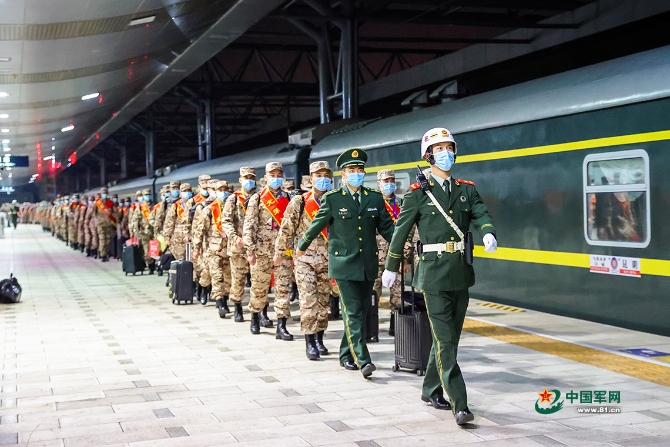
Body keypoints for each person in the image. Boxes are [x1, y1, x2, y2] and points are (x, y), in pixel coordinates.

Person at [381, 127, 497, 425]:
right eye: (439, 149)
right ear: (428, 156)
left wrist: (488, 232)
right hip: (432, 275)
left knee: (449, 339)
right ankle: (460, 404)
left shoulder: (466, 189)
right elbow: (401, 232)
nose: (446, 153)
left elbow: (481, 214)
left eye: (449, 148)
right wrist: (391, 266)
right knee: (445, 341)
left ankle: (430, 389)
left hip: (461, 273)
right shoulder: (417, 193)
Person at [296, 148, 394, 378]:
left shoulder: (374, 198)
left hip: (367, 264)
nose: (356, 173)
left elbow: (387, 228)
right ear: (343, 174)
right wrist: (302, 245)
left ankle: (344, 354)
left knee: (360, 311)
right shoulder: (333, 199)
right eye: (351, 169)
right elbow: (317, 223)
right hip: (343, 264)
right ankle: (363, 359)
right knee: (351, 311)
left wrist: (402, 244)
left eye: (359, 169)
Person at [275, 161, 333, 359]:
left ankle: (320, 339)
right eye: (319, 175)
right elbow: (286, 230)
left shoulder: (334, 200)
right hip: (304, 259)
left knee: (323, 302)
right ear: (311, 178)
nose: (323, 179)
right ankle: (310, 342)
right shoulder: (299, 202)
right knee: (308, 301)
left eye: (326, 175)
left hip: (327, 260)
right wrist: (279, 253)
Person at [243, 162, 294, 340]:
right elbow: (249, 226)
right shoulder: (257, 199)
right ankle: (255, 317)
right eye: (272, 175)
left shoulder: (289, 198)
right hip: (262, 252)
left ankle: (281, 326)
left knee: (283, 289)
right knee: (259, 288)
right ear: (265, 177)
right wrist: (250, 251)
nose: (276, 178)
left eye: (279, 175)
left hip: (283, 252)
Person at [221, 167, 256, 323]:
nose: (249, 181)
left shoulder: (259, 197)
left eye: (251, 178)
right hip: (238, 247)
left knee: (259, 281)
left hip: (256, 247)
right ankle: (238, 307)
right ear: (240, 180)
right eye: (246, 178)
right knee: (238, 279)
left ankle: (259, 312)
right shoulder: (233, 199)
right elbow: (226, 221)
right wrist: (234, 237)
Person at [193, 180, 232, 316]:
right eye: (220, 190)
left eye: (225, 189)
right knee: (216, 276)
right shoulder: (209, 209)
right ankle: (220, 303)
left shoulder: (233, 207)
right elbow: (200, 230)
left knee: (228, 278)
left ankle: (225, 300)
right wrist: (196, 248)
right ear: (214, 192)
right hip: (213, 250)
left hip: (229, 249)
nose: (223, 192)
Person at [373, 169, 404, 336]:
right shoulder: (373, 203)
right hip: (375, 257)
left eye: (392, 180)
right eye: (386, 181)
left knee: (398, 295)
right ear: (379, 183)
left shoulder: (401, 204)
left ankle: (395, 327)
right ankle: (372, 328)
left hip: (396, 257)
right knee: (373, 294)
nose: (389, 184)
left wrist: (406, 259)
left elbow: (409, 231)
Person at [187, 175, 212, 301]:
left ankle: (208, 290)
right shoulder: (193, 201)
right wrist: (188, 235)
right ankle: (200, 287)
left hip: (211, 239)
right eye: (204, 186)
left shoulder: (215, 201)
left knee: (210, 266)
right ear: (199, 187)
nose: (207, 189)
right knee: (198, 266)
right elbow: (186, 221)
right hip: (197, 237)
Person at [163, 183, 193, 261]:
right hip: (178, 240)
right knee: (180, 261)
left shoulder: (195, 204)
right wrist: (167, 237)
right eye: (184, 191)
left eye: (189, 190)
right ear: (180, 193)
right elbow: (169, 222)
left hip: (191, 238)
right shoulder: (176, 206)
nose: (187, 193)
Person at [130, 189, 157, 274]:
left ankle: (154, 265)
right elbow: (135, 218)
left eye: (149, 194)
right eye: (146, 195)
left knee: (154, 250)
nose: (147, 196)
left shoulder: (155, 205)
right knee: (146, 251)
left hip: (154, 232)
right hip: (144, 233)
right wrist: (135, 229)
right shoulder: (141, 207)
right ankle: (150, 266)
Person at [92, 187, 118, 262]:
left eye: (106, 193)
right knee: (102, 239)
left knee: (108, 241)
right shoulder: (97, 203)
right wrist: (96, 222)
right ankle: (102, 255)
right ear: (100, 194)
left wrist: (116, 222)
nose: (104, 194)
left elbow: (114, 213)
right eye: (103, 193)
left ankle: (105, 253)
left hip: (108, 224)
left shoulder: (110, 202)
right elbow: (93, 214)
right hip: (100, 225)